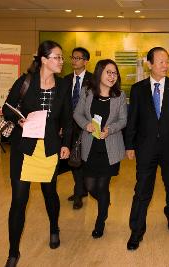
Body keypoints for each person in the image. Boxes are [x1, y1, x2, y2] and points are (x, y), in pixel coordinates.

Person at [2, 40, 72, 267]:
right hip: (24, 148)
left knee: (49, 193)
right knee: (19, 201)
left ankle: (54, 227)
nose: (61, 61)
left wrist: (66, 144)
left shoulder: (62, 86)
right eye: (57, 57)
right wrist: (19, 119)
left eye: (62, 57)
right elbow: (7, 108)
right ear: (44, 59)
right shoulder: (25, 82)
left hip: (49, 148)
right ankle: (13, 252)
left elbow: (68, 120)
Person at [125, 47, 169, 250]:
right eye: (161, 61)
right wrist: (129, 145)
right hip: (145, 148)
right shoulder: (138, 89)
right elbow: (132, 120)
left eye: (167, 61)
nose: (166, 65)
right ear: (150, 64)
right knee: (142, 189)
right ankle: (136, 231)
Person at [73, 59, 127, 238]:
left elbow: (122, 120)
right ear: (99, 73)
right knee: (89, 186)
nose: (112, 76)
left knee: (103, 187)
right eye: (108, 72)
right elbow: (77, 114)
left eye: (115, 73)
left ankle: (100, 221)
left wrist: (109, 130)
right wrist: (86, 125)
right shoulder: (87, 92)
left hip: (109, 148)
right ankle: (105, 202)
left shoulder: (119, 95)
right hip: (90, 146)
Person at [64, 47, 92, 210]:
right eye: (72, 57)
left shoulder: (93, 80)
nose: (74, 61)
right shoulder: (65, 80)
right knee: (74, 159)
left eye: (78, 58)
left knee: (83, 160)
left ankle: (80, 191)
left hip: (86, 126)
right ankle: (80, 190)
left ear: (85, 61)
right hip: (69, 126)